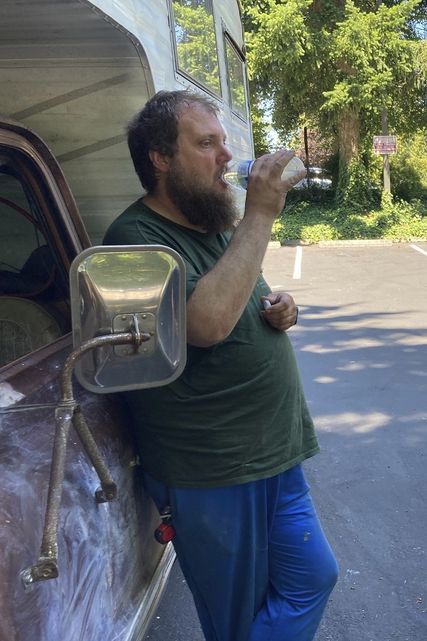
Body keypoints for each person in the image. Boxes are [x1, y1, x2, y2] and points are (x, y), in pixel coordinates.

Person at [103, 90, 338, 641]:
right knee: (235, 617)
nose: (226, 158)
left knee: (313, 577)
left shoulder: (210, 226)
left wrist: (278, 309)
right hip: (212, 469)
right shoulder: (135, 239)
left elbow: (232, 303)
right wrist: (259, 214)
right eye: (206, 143)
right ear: (160, 158)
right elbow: (205, 324)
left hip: (275, 454)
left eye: (223, 143)